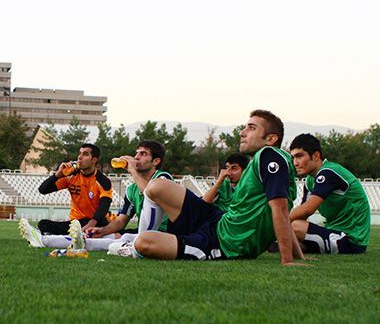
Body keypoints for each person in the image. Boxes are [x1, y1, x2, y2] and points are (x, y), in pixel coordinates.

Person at [110, 110, 307, 266]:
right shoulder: (266, 160)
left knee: (144, 243)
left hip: (224, 242)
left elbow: (280, 209)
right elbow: (283, 211)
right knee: (157, 186)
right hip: (219, 220)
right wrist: (299, 257)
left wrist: (287, 260)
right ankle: (132, 241)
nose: (242, 132)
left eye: (251, 128)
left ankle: (131, 247)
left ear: (270, 138)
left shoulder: (270, 156)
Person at [70, 140, 173, 251]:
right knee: (117, 234)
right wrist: (102, 230)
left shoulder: (163, 178)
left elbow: (151, 194)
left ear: (156, 161)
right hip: (144, 232)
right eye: (137, 153)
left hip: (168, 233)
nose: (137, 157)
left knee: (126, 237)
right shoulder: (131, 189)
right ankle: (75, 243)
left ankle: (90, 244)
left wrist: (133, 171)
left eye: (143, 154)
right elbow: (121, 221)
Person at [19, 143, 113, 248]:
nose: (79, 157)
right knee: (44, 224)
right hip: (75, 223)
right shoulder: (71, 176)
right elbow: (43, 190)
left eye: (85, 154)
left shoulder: (102, 181)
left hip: (95, 221)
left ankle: (44, 239)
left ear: (94, 160)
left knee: (84, 224)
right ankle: (71, 236)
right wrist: (57, 175)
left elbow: (105, 204)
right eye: (79, 153)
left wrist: (92, 223)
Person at [289, 133, 370, 254]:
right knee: (290, 232)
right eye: (293, 157)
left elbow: (307, 209)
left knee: (295, 227)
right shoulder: (310, 181)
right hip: (333, 232)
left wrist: (278, 220)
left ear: (316, 156)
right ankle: (295, 246)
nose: (295, 163)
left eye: (299, 156)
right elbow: (302, 216)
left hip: (351, 240)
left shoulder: (329, 172)